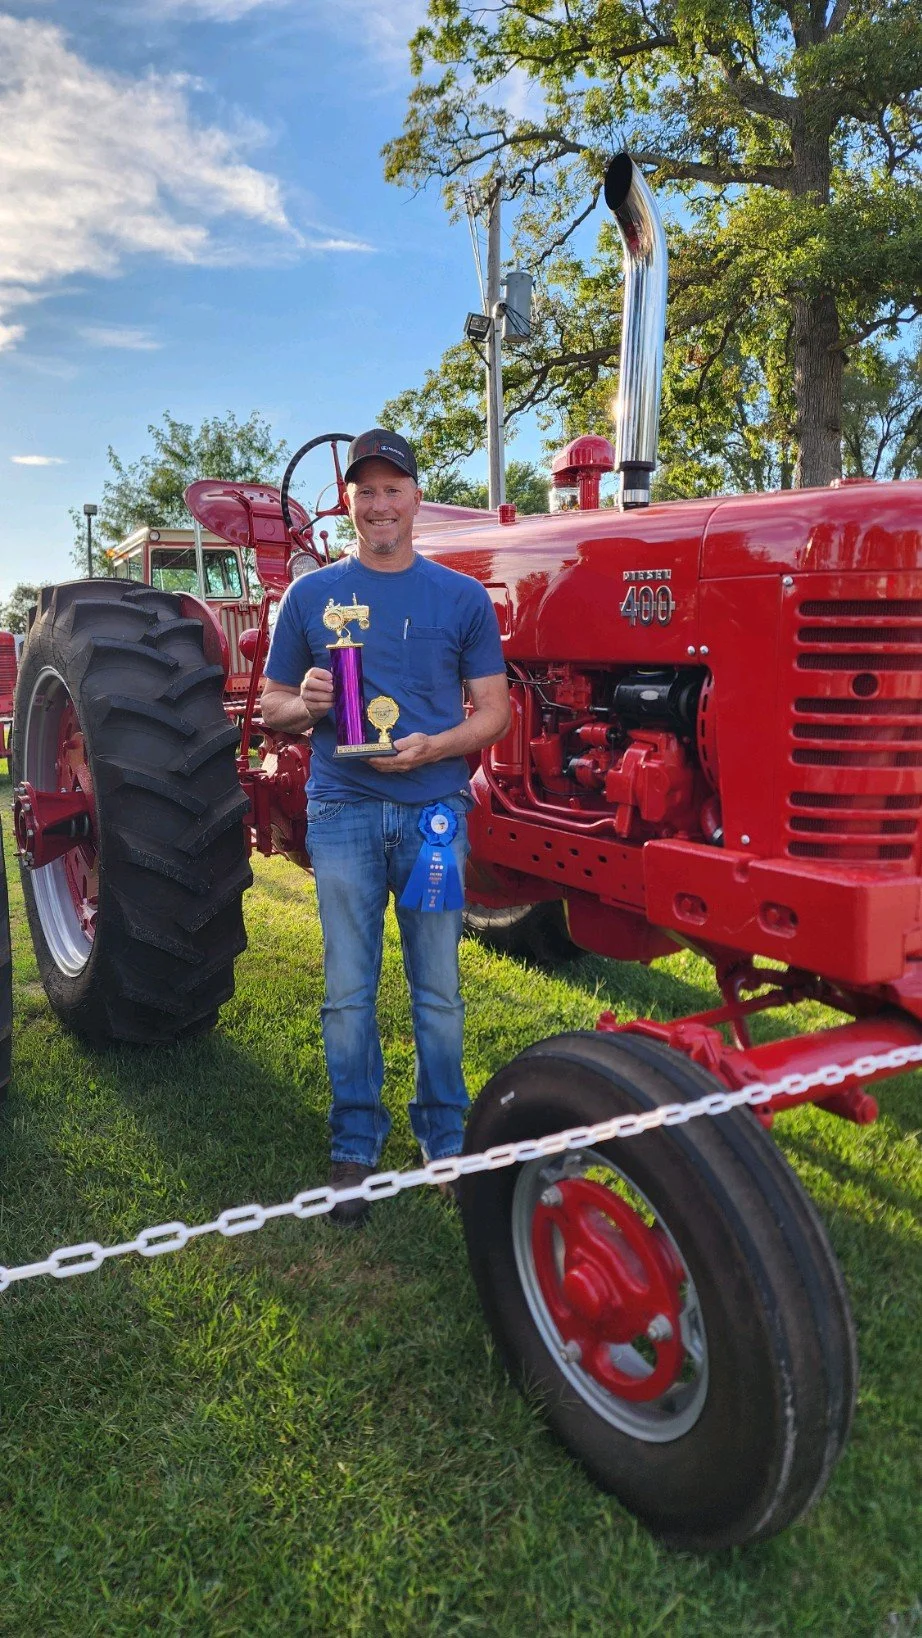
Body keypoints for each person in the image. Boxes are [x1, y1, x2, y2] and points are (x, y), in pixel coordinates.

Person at [261, 429, 510, 1226]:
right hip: (343, 809)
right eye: (365, 492)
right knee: (347, 992)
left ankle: (444, 1140)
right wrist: (308, 706)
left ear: (414, 496)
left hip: (435, 812)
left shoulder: (461, 597)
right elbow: (272, 710)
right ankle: (355, 1147)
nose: (379, 505)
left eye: (392, 489)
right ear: (350, 503)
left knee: (437, 990)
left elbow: (495, 714)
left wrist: (436, 747)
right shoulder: (311, 599)